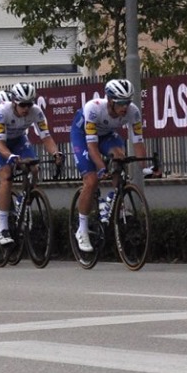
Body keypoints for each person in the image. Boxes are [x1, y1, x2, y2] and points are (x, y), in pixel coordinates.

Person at [71, 78, 146, 254]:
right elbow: (92, 147)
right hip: (82, 136)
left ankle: (113, 198)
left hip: (106, 135)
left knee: (120, 156)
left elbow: (138, 143)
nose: (125, 107)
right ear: (110, 100)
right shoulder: (94, 108)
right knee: (91, 180)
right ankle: (82, 229)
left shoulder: (133, 112)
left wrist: (145, 168)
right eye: (121, 102)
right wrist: (101, 168)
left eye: (128, 102)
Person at [0, 82, 60, 249]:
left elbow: (46, 137)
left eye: (29, 104)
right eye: (22, 105)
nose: (26, 109)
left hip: (18, 139)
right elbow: (0, 145)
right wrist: (11, 157)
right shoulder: (1, 112)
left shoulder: (36, 112)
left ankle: (23, 200)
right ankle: (3, 229)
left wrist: (56, 153)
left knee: (34, 168)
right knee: (6, 175)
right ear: (14, 102)